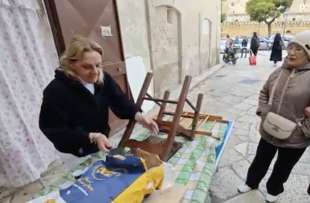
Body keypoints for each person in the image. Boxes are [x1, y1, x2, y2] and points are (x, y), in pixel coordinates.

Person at [39, 36, 159, 157]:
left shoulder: (102, 78)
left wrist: (139, 116)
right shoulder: (55, 90)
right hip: (74, 151)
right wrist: (91, 136)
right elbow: (52, 128)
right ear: (71, 64)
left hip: (101, 142)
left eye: (98, 65)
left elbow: (119, 101)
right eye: (87, 67)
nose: (95, 72)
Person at [237, 30, 310, 202]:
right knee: (260, 159)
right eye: (290, 47)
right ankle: (251, 182)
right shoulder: (279, 71)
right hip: (270, 128)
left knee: (283, 167)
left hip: (295, 135)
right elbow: (264, 92)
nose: (291, 52)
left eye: (298, 49)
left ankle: (274, 190)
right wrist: (263, 111)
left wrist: (304, 129)